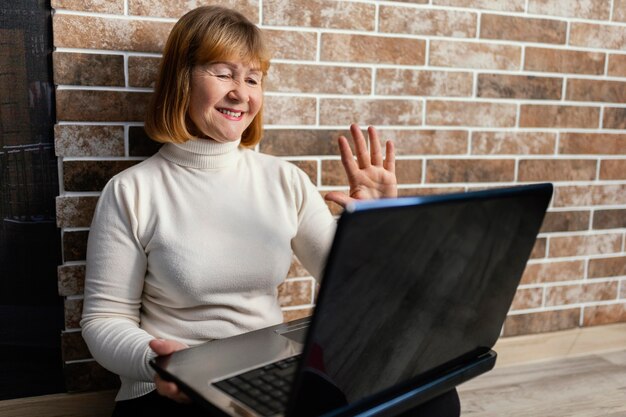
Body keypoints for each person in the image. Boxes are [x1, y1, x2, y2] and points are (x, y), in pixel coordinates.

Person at [80, 5, 459, 417]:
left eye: (252, 78)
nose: (241, 93)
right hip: (173, 388)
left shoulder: (284, 179)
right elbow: (103, 319)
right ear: (181, 80)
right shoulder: (132, 190)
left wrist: (379, 226)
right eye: (223, 74)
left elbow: (358, 290)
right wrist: (161, 362)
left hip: (263, 373)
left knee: (432, 397)